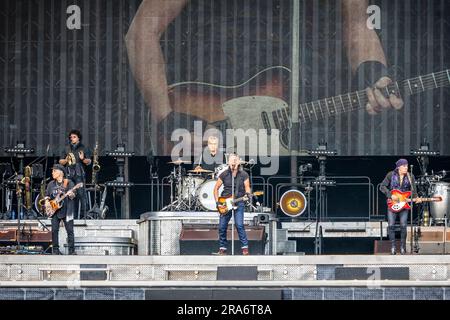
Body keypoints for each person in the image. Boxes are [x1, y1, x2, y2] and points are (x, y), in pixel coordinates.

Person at [125, 0, 404, 155]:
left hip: (302, 111)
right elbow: (141, 33)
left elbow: (358, 24)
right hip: (211, 115)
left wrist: (373, 72)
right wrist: (168, 116)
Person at [380, 159, 421, 255]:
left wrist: (417, 198)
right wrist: (390, 194)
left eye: (407, 166)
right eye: (404, 166)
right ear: (399, 167)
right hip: (393, 203)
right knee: (391, 225)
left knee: (403, 225)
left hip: (404, 204)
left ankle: (402, 247)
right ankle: (393, 247)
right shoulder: (391, 174)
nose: (406, 168)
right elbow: (382, 186)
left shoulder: (410, 176)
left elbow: (413, 191)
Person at [213, 153, 251, 255]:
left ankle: (245, 247)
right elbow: (215, 189)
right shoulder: (224, 174)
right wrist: (218, 202)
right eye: (231, 160)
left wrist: (248, 194)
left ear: (238, 161)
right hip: (225, 202)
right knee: (222, 226)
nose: (233, 162)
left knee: (239, 225)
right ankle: (223, 247)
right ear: (228, 162)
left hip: (239, 201)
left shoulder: (244, 175)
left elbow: (247, 187)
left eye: (235, 160)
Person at [44, 164, 76, 255]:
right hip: (55, 211)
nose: (52, 173)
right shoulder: (51, 184)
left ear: (60, 173)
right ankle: (55, 250)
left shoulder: (68, 183)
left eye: (54, 171)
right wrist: (47, 202)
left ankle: (71, 251)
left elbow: (74, 195)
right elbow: (47, 195)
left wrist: (71, 194)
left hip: (67, 211)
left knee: (70, 231)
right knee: (54, 231)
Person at [59, 130, 91, 219]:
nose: (72, 139)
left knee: (81, 194)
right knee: (69, 194)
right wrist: (65, 160)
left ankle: (85, 215)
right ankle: (71, 215)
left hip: (79, 174)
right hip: (68, 173)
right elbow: (60, 161)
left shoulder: (84, 148)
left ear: (78, 138)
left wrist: (83, 158)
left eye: (74, 137)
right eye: (71, 137)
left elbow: (89, 162)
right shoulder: (66, 148)